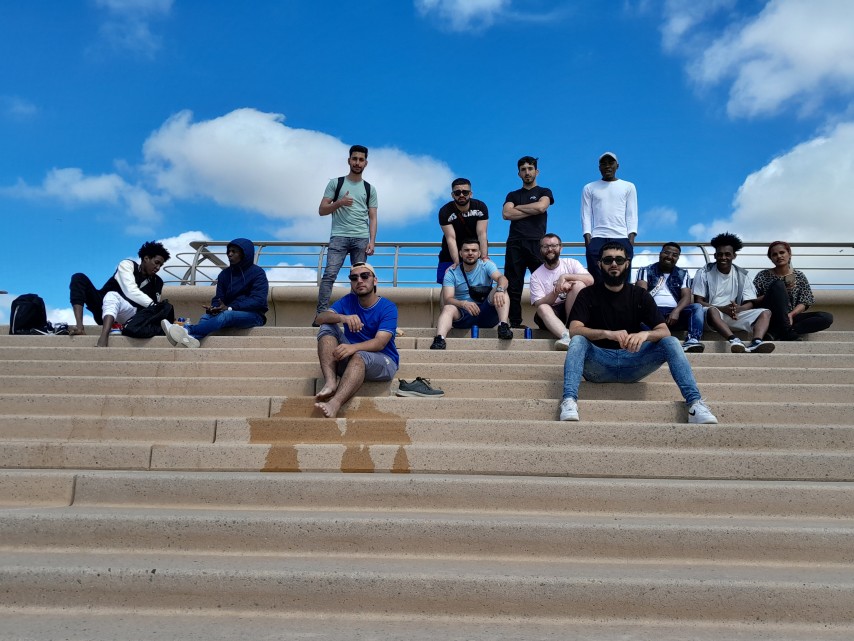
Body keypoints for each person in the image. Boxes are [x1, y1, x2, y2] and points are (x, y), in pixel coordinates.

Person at [559, 242, 717, 424]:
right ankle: (569, 401)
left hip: (633, 362)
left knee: (671, 342)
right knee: (578, 340)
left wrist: (645, 335)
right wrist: (607, 334)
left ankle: (695, 404)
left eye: (619, 259)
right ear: (599, 264)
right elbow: (574, 329)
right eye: (608, 260)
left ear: (627, 263)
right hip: (598, 365)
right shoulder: (587, 294)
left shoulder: (640, 295)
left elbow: (663, 331)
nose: (614, 264)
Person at [314, 262, 399, 418]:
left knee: (360, 355)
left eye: (365, 276)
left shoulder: (388, 307)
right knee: (327, 325)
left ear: (375, 280)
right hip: (351, 358)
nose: (359, 280)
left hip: (384, 361)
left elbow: (380, 342)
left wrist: (353, 348)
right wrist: (343, 318)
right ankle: (331, 382)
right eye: (354, 278)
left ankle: (334, 403)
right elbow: (320, 318)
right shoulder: (348, 301)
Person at [161, 238, 268, 348]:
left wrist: (230, 308)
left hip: (254, 315)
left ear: (245, 254)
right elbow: (219, 298)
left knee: (227, 315)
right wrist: (214, 308)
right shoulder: (224, 275)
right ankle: (191, 340)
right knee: (205, 317)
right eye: (228, 251)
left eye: (234, 252)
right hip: (228, 312)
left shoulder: (257, 273)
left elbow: (258, 300)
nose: (229, 254)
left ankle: (186, 330)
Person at [314, 144, 378, 323]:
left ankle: (354, 317)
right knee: (330, 275)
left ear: (366, 163)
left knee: (360, 279)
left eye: (361, 160)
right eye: (354, 159)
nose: (357, 162)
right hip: (339, 237)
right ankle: (321, 314)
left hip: (361, 238)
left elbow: (373, 217)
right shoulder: (336, 183)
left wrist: (372, 241)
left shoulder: (369, 189)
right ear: (349, 160)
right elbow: (322, 210)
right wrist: (339, 203)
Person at [68, 240, 170, 347]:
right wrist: (154, 305)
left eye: (161, 265)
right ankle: (79, 327)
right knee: (79, 278)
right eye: (157, 263)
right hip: (103, 308)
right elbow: (130, 290)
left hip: (129, 316)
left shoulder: (157, 282)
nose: (158, 268)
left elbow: (152, 309)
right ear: (146, 258)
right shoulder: (127, 265)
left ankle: (105, 335)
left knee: (114, 297)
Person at [692, 232, 775, 353]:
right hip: (710, 316)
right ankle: (734, 340)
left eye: (727, 254)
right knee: (712, 311)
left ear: (734, 256)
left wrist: (738, 309)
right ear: (715, 255)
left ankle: (756, 342)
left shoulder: (742, 275)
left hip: (733, 315)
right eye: (720, 254)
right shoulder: (704, 272)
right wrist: (722, 309)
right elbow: (698, 302)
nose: (723, 257)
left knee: (765, 312)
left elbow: (750, 302)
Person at [430, 239, 513, 349]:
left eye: (474, 250)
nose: (470, 253)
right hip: (464, 314)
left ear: (479, 253)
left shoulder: (486, 265)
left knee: (502, 289)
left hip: (485, 312)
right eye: (466, 250)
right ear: (460, 253)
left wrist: (500, 290)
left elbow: (502, 278)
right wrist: (463, 304)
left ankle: (503, 326)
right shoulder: (451, 272)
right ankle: (439, 339)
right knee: (448, 308)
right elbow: (448, 299)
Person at [502, 156, 554, 328]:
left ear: (536, 171)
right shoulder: (513, 194)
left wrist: (518, 208)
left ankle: (546, 322)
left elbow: (541, 207)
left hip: (537, 244)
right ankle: (515, 323)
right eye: (523, 169)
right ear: (519, 173)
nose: (527, 172)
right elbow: (506, 214)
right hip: (515, 243)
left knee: (545, 283)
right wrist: (532, 210)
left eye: (530, 168)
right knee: (513, 285)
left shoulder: (544, 191)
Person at [753, 240, 833, 340]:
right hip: (770, 317)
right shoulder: (763, 275)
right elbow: (753, 300)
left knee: (826, 317)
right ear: (771, 258)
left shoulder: (799, 276)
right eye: (774, 254)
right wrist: (775, 292)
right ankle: (785, 332)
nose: (779, 256)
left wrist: (791, 315)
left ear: (789, 254)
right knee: (778, 285)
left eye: (782, 252)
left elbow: (805, 301)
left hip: (790, 317)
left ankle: (783, 332)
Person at [636, 242, 706, 353]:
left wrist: (676, 311)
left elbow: (686, 297)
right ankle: (651, 341)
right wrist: (654, 313)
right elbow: (641, 294)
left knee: (697, 307)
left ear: (678, 258)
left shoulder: (683, 274)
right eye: (667, 253)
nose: (669, 257)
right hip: (653, 312)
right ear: (660, 254)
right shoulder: (645, 270)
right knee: (638, 312)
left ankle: (692, 340)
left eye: (674, 255)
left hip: (673, 315)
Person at [529, 233, 593, 350]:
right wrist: (556, 291)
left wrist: (566, 277)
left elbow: (591, 280)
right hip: (551, 314)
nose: (550, 249)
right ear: (541, 250)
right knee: (542, 307)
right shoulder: (536, 276)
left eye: (554, 245)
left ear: (560, 248)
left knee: (578, 285)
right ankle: (567, 336)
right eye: (546, 246)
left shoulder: (571, 263)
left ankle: (571, 327)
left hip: (573, 310)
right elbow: (538, 304)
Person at [581, 152, 638, 283]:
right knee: (596, 279)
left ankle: (624, 304)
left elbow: (631, 214)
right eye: (603, 163)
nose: (607, 166)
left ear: (617, 166)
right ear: (599, 167)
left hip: (621, 237)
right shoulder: (589, 188)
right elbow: (586, 215)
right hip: (597, 237)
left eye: (610, 163)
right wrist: (588, 242)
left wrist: (630, 241)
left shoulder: (628, 186)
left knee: (622, 279)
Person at [436, 178, 489, 284]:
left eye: (465, 192)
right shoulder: (445, 211)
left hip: (473, 252)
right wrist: (456, 262)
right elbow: (451, 238)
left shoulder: (480, 207)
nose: (461, 195)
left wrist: (483, 257)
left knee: (478, 286)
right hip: (449, 254)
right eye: (457, 192)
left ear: (471, 194)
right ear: (452, 195)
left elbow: (482, 234)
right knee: (447, 285)